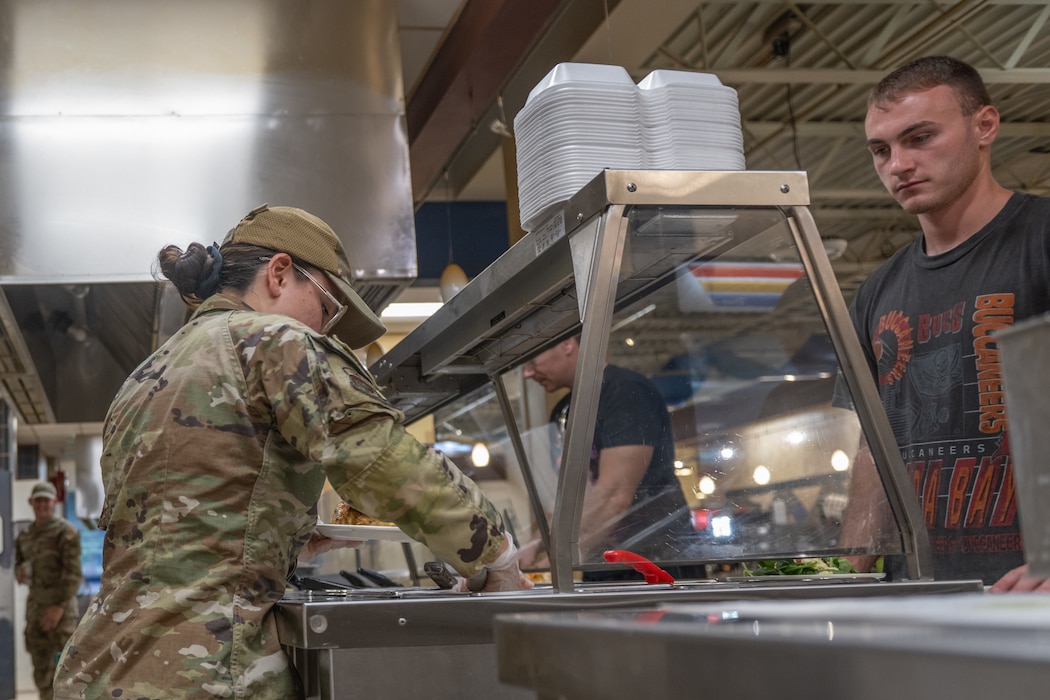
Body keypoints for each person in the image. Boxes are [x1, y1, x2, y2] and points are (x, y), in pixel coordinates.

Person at [53, 204, 530, 699]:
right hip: (206, 674)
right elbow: (381, 459)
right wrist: (498, 557)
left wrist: (281, 540)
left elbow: (171, 531)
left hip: (102, 667)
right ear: (280, 273)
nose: (325, 328)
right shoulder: (274, 339)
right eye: (327, 307)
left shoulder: (147, 375)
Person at [845, 55, 1050, 591]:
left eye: (920, 138)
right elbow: (874, 443)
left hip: (1029, 592)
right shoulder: (877, 291)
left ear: (985, 126)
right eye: (881, 149)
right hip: (917, 594)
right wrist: (845, 576)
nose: (898, 164)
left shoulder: (1040, 240)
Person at [519, 336, 698, 580]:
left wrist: (561, 559)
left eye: (531, 361)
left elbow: (613, 495)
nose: (526, 373)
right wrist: (533, 546)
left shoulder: (625, 393)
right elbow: (571, 497)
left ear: (567, 344)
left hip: (654, 563)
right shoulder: (563, 411)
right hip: (603, 562)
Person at [15, 480, 82, 700]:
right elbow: (19, 564)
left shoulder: (66, 532)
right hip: (36, 610)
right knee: (41, 671)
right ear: (31, 502)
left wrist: (58, 608)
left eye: (46, 500)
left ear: (54, 501)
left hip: (61, 613)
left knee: (68, 670)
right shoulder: (24, 535)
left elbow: (73, 574)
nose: (42, 504)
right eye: (38, 500)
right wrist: (19, 573)